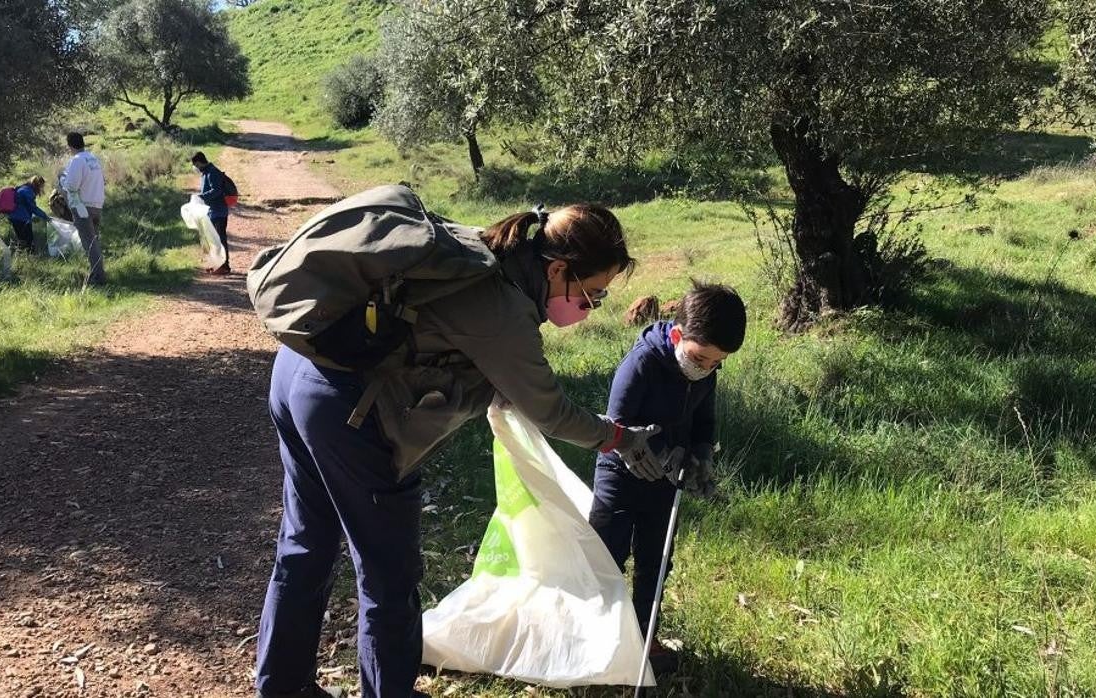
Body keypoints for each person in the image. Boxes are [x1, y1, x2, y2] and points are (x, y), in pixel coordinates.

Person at [258, 204, 666, 698]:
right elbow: (553, 411)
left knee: (305, 545)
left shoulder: (480, 251)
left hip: (298, 370)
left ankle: (282, 688)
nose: (591, 306)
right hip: (346, 412)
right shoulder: (503, 307)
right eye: (592, 293)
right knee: (389, 574)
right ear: (558, 269)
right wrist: (621, 437)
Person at [588, 281, 747, 675]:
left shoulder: (705, 373)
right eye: (700, 358)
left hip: (666, 482)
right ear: (678, 335)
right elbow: (616, 423)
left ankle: (643, 638)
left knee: (656, 561)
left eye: (716, 363)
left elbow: (704, 420)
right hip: (621, 476)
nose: (706, 368)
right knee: (606, 556)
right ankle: (596, 640)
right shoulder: (642, 362)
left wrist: (701, 454)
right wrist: (638, 450)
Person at [61, 132, 106, 285]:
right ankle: (98, 273)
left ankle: (97, 277)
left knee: (89, 243)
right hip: (97, 203)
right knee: (94, 241)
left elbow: (72, 186)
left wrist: (62, 181)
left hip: (82, 206)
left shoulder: (77, 160)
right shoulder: (93, 158)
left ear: (70, 146)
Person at [191, 151, 230, 275]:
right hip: (211, 212)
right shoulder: (205, 173)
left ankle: (224, 266)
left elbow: (216, 191)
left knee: (220, 239)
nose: (196, 168)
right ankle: (216, 264)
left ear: (199, 162)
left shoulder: (212, 172)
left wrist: (202, 196)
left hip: (219, 212)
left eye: (196, 165)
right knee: (213, 240)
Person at [7, 175, 51, 252]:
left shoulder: (23, 188)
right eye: (42, 187)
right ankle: (31, 258)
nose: (42, 189)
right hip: (22, 219)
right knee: (29, 242)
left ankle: (21, 258)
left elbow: (24, 206)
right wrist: (45, 216)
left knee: (22, 240)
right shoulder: (28, 192)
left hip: (13, 217)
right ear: (38, 185)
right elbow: (33, 208)